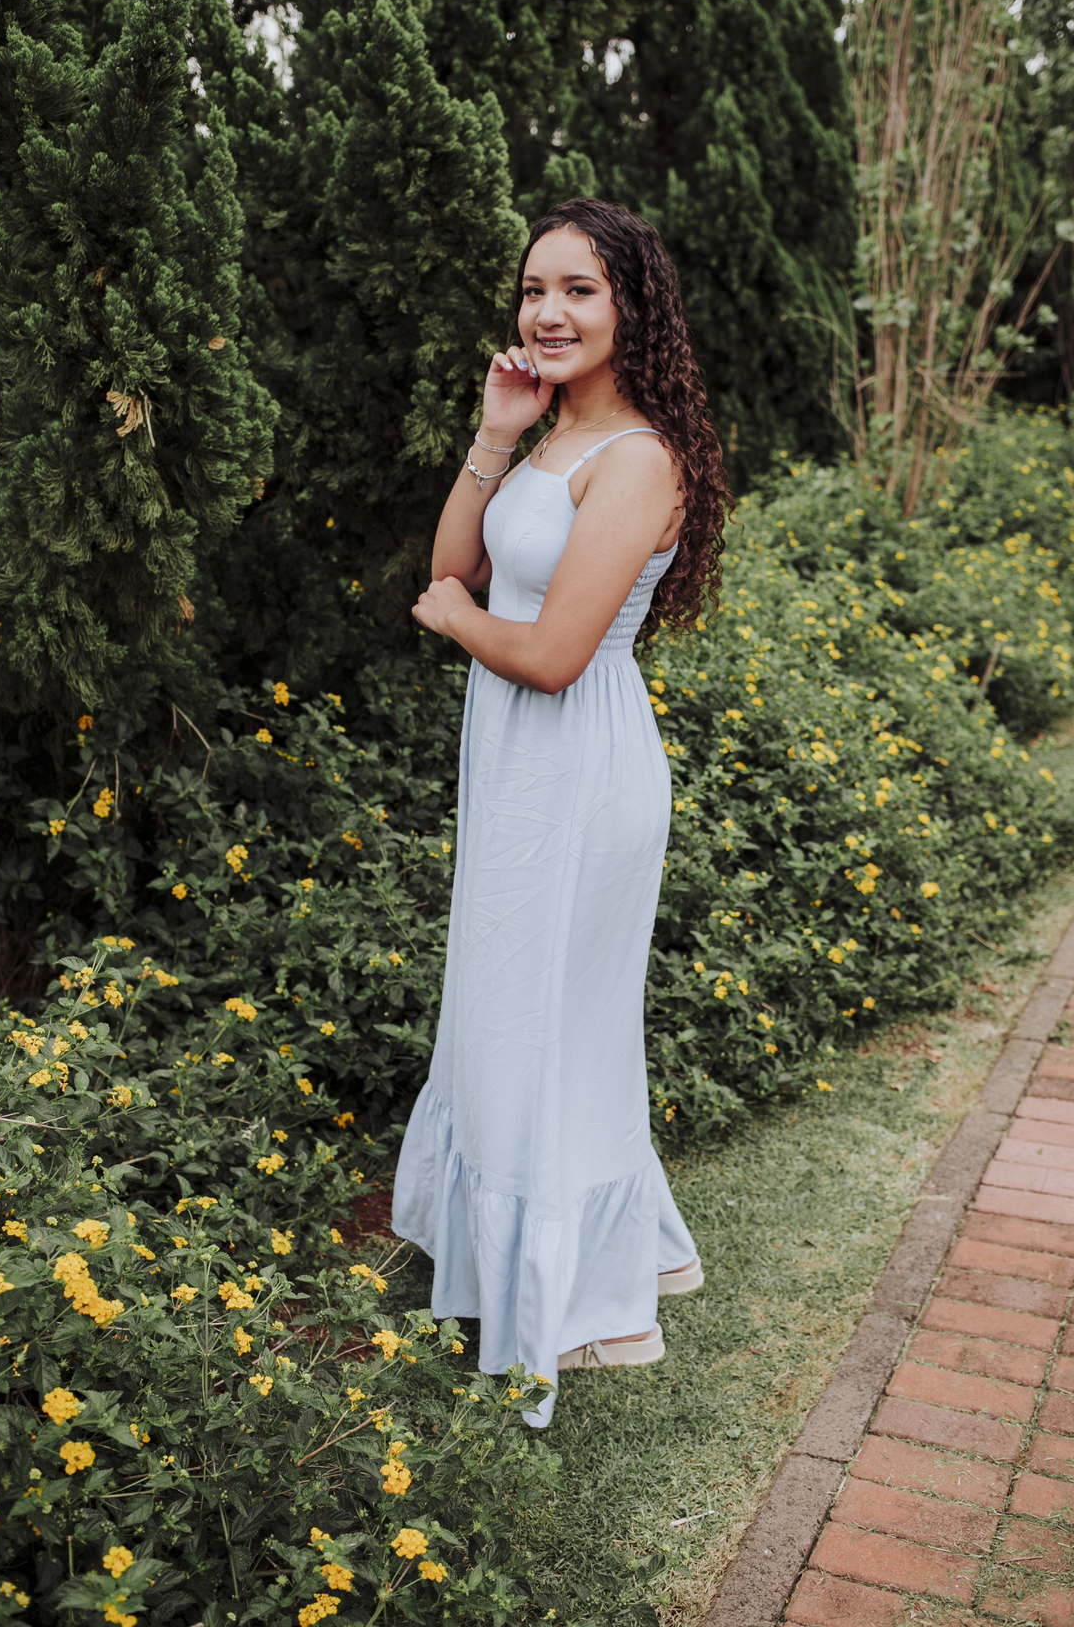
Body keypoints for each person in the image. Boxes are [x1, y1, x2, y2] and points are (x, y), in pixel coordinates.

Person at [391, 197, 732, 1427]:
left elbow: (547, 655)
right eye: (536, 288)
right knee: (505, 1011)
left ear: (632, 305)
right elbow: (457, 565)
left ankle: (581, 1306)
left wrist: (457, 623)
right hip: (518, 771)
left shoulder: (636, 458)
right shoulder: (549, 435)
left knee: (550, 1025)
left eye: (579, 290)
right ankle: (539, 1262)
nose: (549, 311)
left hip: (581, 770)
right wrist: (494, 433)